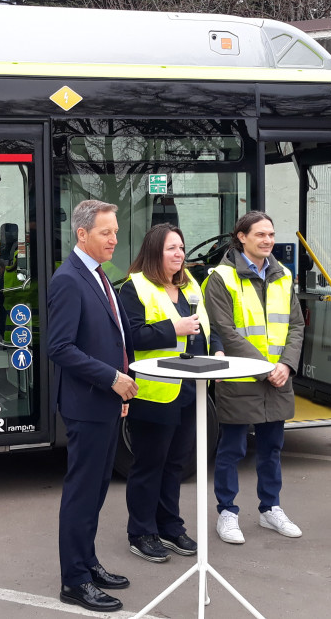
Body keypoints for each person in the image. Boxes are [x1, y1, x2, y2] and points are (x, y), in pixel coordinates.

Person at [47, 199, 138, 613]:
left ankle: (88, 562)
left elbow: (111, 336)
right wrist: (112, 379)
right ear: (82, 234)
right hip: (87, 404)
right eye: (106, 232)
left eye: (115, 231)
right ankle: (75, 580)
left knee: (98, 490)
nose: (114, 240)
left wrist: (120, 386)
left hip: (106, 402)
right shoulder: (68, 280)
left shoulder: (100, 276)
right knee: (82, 494)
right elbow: (59, 347)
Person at [119, 223, 223, 563]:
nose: (179, 254)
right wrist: (172, 329)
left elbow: (206, 325)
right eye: (171, 248)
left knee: (177, 463)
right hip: (153, 393)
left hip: (190, 391)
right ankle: (141, 532)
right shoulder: (134, 288)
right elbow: (130, 338)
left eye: (181, 247)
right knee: (150, 464)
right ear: (154, 252)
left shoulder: (190, 284)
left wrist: (217, 349)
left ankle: (169, 526)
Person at [203, 211, 305, 544]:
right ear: (241, 237)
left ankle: (270, 509)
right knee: (231, 449)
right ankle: (227, 513)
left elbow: (297, 326)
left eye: (271, 234)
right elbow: (224, 331)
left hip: (278, 378)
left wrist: (286, 365)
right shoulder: (221, 277)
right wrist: (266, 367)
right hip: (243, 379)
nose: (268, 240)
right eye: (260, 234)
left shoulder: (284, 275)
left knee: (272, 449)